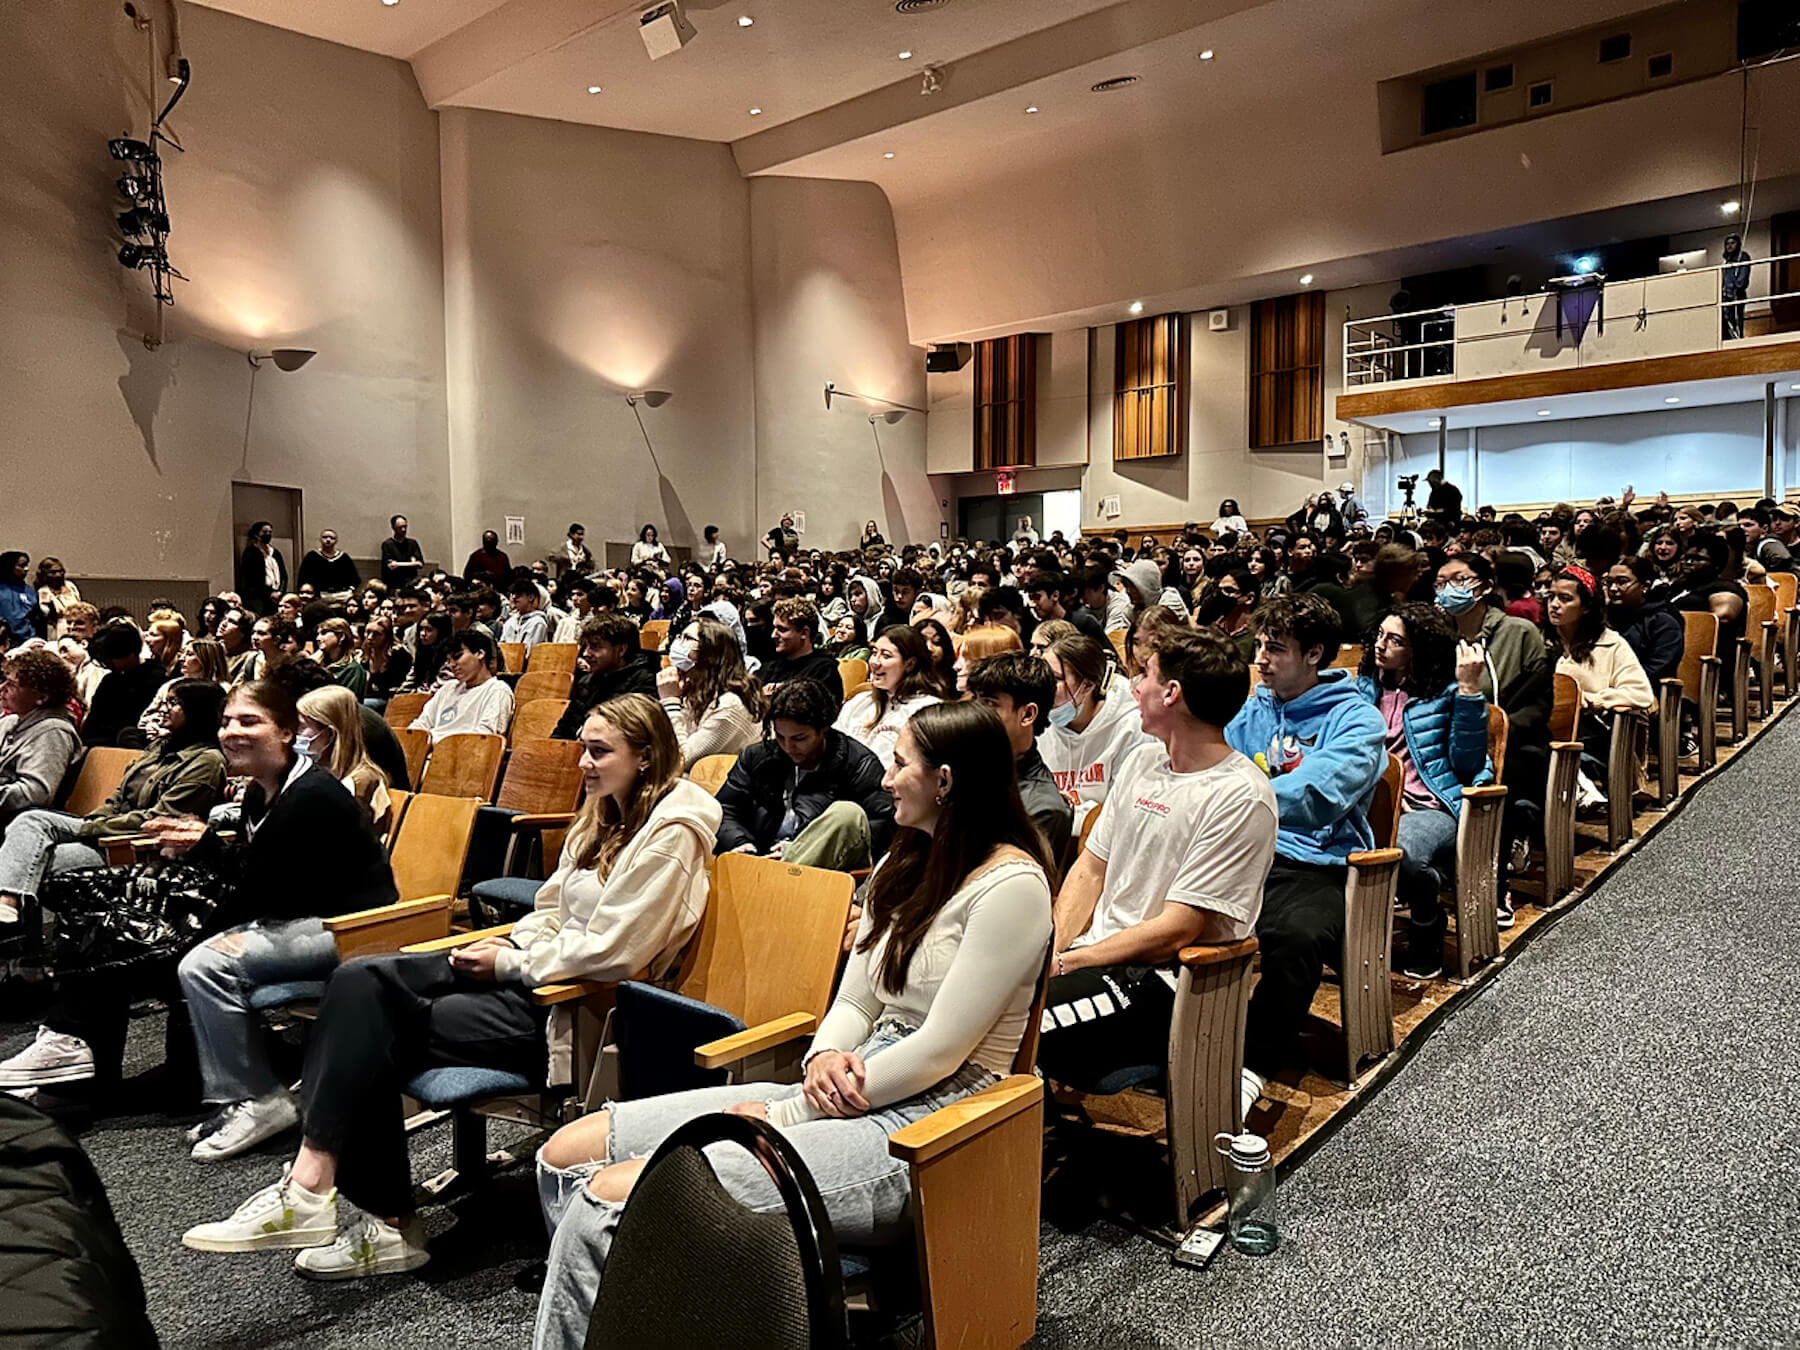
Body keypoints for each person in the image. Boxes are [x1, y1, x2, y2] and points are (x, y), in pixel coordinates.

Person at [531, 700, 1052, 1348]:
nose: (885, 779)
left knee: (616, 1198)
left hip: (932, 1123)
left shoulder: (1013, 887)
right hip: (850, 1082)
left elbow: (940, 1052)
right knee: (564, 1155)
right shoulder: (905, 860)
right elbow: (858, 1002)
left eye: (899, 764)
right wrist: (818, 1061)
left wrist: (790, 1116)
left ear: (944, 781)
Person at [181, 694, 719, 1279]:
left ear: (645, 757)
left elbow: (617, 950)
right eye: (583, 751)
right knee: (357, 980)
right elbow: (549, 908)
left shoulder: (673, 831)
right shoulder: (605, 811)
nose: (584, 765)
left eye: (599, 753)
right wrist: (512, 944)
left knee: (364, 1031)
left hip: (571, 1009)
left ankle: (362, 1213)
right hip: (530, 970)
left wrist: (514, 963)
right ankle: (321, 1192)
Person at [1038, 626, 1276, 1101]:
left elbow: (1177, 928)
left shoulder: (1240, 795)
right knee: (981, 994)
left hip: (1164, 984)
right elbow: (1090, 869)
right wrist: (1051, 950)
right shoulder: (1143, 762)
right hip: (1095, 959)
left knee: (1013, 1022)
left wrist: (1068, 962)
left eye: (1144, 674)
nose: (1133, 686)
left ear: (1172, 694)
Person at [170, 679, 400, 1161]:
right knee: (197, 954)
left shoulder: (312, 795)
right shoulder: (260, 794)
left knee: (205, 965)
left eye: (249, 721)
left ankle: (261, 1099)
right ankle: (243, 1094)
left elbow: (263, 888)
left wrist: (207, 847)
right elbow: (264, 886)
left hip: (356, 928)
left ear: (288, 732)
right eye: (227, 721)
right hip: (302, 918)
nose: (231, 731)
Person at [1226, 594, 1386, 1101]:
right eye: (1258, 645)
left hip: (1321, 864)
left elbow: (1321, 793)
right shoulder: (1253, 708)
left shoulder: (1357, 720)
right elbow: (1212, 759)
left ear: (1315, 654)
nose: (1261, 658)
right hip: (1249, 851)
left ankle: (1252, 1066)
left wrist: (1231, 797)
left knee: (1294, 937)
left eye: (1275, 648)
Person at [0, 679, 228, 931]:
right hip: (106, 830)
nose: (163, 708)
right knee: (30, 828)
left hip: (130, 845)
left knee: (31, 859)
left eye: (173, 703)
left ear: (197, 710)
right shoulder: (159, 746)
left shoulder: (207, 761)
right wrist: (98, 821)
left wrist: (96, 827)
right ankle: (9, 910)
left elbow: (161, 819)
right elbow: (117, 798)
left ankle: (13, 917)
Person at [1355, 604, 1493, 979]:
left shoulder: (1447, 693)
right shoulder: (1365, 685)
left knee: (1408, 853)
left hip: (1429, 802)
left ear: (1419, 649)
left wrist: (1468, 690)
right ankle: (1352, 943)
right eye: (1379, 635)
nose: (1380, 646)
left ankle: (1427, 924)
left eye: (1395, 640)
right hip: (1371, 797)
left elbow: (1467, 763)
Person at [714, 679, 894, 871]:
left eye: (800, 738)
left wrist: (802, 850)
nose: (788, 747)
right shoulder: (758, 756)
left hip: (822, 871)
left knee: (846, 813)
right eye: (781, 737)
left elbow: (879, 829)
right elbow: (725, 808)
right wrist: (741, 843)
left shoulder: (859, 764)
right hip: (758, 859)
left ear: (823, 729)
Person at [1547, 566, 1654, 807]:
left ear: (1585, 607)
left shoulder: (1611, 644)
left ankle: (1581, 787)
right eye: (1551, 597)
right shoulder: (1539, 640)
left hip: (1594, 737)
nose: (1554, 605)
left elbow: (1641, 694)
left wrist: (1595, 700)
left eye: (1565, 599)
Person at [1038, 633, 1154, 839]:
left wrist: (1066, 814)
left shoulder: (1131, 727)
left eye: (1055, 679)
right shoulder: (1038, 722)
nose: (1043, 687)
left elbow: (1121, 815)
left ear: (1088, 685)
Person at [964, 651, 1073, 856]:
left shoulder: (1044, 809)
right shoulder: (963, 764)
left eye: (989, 703)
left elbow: (1013, 884)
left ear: (1028, 714)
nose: (974, 712)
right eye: (975, 700)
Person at [656, 615, 765, 770]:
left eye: (687, 638)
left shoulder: (731, 704)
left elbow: (682, 760)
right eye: (679, 637)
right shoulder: (696, 690)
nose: (677, 644)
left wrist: (670, 702)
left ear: (711, 653)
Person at [833, 625, 944, 769]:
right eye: (874, 653)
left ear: (910, 664)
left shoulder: (928, 710)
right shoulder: (859, 701)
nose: (874, 662)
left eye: (886, 656)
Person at [0, 648, 83, 831]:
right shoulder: (9, 722)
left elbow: (37, 793)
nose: (2, 689)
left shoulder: (54, 731)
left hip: (18, 823)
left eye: (13, 685)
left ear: (42, 697)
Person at [551, 615, 660, 741]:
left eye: (595, 646)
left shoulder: (645, 682)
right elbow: (563, 729)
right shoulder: (586, 681)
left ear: (621, 650)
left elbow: (631, 737)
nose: (586, 654)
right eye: (585, 646)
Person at [410, 630, 514, 743]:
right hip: (428, 751)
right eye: (449, 660)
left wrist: (433, 741)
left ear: (480, 654)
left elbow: (485, 737)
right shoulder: (448, 688)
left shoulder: (497, 690)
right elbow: (422, 723)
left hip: (461, 754)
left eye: (457, 657)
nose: (452, 665)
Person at [80, 623, 169, 746]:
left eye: (110, 659)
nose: (107, 664)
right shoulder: (109, 680)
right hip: (98, 744)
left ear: (130, 654)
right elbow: (92, 723)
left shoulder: (156, 678)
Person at [1604, 557, 1684, 688]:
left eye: (1622, 582)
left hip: (1643, 690)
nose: (1613, 588)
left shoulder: (1664, 622)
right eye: (1609, 582)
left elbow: (1657, 670)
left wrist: (1616, 684)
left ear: (1645, 586)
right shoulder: (1604, 617)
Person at [758, 598, 844, 701]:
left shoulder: (824, 671)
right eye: (774, 628)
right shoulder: (770, 667)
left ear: (804, 633)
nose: (773, 635)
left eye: (782, 630)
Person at [235, 522, 288, 618]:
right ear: (256, 534)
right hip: (258, 598)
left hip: (277, 595)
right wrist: (269, 593)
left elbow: (284, 575)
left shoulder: (275, 553)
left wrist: (281, 591)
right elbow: (251, 579)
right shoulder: (251, 552)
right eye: (264, 532)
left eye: (270, 532)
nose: (268, 534)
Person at [296, 530, 360, 601]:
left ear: (336, 541)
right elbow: (302, 577)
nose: (328, 540)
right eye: (325, 537)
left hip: (342, 595)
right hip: (320, 595)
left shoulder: (344, 558)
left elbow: (355, 578)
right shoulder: (312, 556)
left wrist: (351, 590)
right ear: (320, 539)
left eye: (332, 538)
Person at [502, 577, 552, 657]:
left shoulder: (538, 622)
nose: (514, 597)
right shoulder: (510, 621)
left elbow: (529, 653)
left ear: (531, 597)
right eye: (513, 594)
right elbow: (502, 646)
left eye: (519, 594)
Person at [33, 558, 82, 639]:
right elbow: (48, 615)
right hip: (58, 628)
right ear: (44, 574)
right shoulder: (44, 591)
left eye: (61, 571)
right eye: (53, 572)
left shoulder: (70, 586)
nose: (58, 575)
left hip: (77, 624)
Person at [379, 515, 425, 592]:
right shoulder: (388, 544)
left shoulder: (412, 543)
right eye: (400, 527)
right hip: (394, 584)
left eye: (405, 527)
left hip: (411, 583)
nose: (403, 530)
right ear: (393, 528)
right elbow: (391, 566)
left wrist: (398, 564)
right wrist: (411, 563)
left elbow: (420, 564)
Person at [1721, 232, 1752, 341]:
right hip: (1726, 295)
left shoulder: (1743, 257)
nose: (1729, 246)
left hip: (1737, 293)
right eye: (1727, 244)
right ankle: (1732, 338)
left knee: (1738, 318)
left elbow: (1743, 277)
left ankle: (1739, 338)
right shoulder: (1726, 261)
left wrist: (1737, 287)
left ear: (1737, 244)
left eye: (1732, 243)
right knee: (1728, 319)